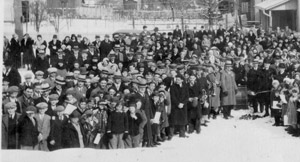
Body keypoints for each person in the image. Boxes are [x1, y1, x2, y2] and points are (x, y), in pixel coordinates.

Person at [169, 74, 189, 138]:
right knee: (173, 120)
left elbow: (187, 96)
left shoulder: (185, 87)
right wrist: (178, 104)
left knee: (182, 120)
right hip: (175, 106)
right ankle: (171, 134)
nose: (177, 81)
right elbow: (173, 97)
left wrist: (183, 103)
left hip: (183, 106)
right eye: (176, 79)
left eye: (178, 79)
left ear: (182, 80)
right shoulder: (173, 87)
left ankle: (182, 134)